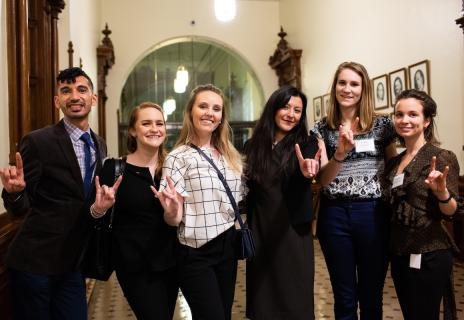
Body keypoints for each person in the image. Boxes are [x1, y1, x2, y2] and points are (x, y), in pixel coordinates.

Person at [0, 67, 107, 319]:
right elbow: (19, 209)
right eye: (66, 91)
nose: (74, 96)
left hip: (72, 263)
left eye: (81, 89)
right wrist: (15, 192)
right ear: (57, 101)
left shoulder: (99, 143)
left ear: (93, 98)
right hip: (35, 264)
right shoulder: (38, 141)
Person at [311, 61, 397, 319]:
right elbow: (323, 180)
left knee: (371, 296)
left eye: (354, 84)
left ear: (364, 89)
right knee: (345, 298)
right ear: (335, 87)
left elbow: (393, 169)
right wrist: (340, 153)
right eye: (342, 82)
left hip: (373, 214)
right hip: (334, 215)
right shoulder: (321, 128)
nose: (347, 89)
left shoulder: (382, 125)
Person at [152, 84, 243, 320]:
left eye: (216, 108)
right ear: (190, 111)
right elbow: (173, 220)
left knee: (224, 315)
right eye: (203, 106)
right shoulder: (177, 157)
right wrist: (171, 209)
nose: (209, 113)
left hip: (228, 247)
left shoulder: (229, 154)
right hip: (196, 253)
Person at [90, 102, 178, 319]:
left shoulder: (172, 167)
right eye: (146, 123)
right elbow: (93, 216)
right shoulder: (114, 168)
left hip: (172, 262)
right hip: (135, 267)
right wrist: (99, 209)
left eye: (159, 123)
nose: (154, 129)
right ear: (132, 130)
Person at [243, 85, 320, 319]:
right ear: (273, 109)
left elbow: (311, 167)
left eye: (298, 110)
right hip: (260, 230)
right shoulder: (252, 146)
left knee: (295, 294)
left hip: (293, 232)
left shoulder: (307, 144)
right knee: (263, 297)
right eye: (286, 107)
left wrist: (309, 170)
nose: (291, 114)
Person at [382, 89, 459, 320]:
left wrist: (442, 192)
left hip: (429, 252)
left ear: (426, 121)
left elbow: (451, 212)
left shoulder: (442, 156)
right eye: (399, 114)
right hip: (399, 252)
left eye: (413, 115)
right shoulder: (394, 161)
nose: (404, 120)